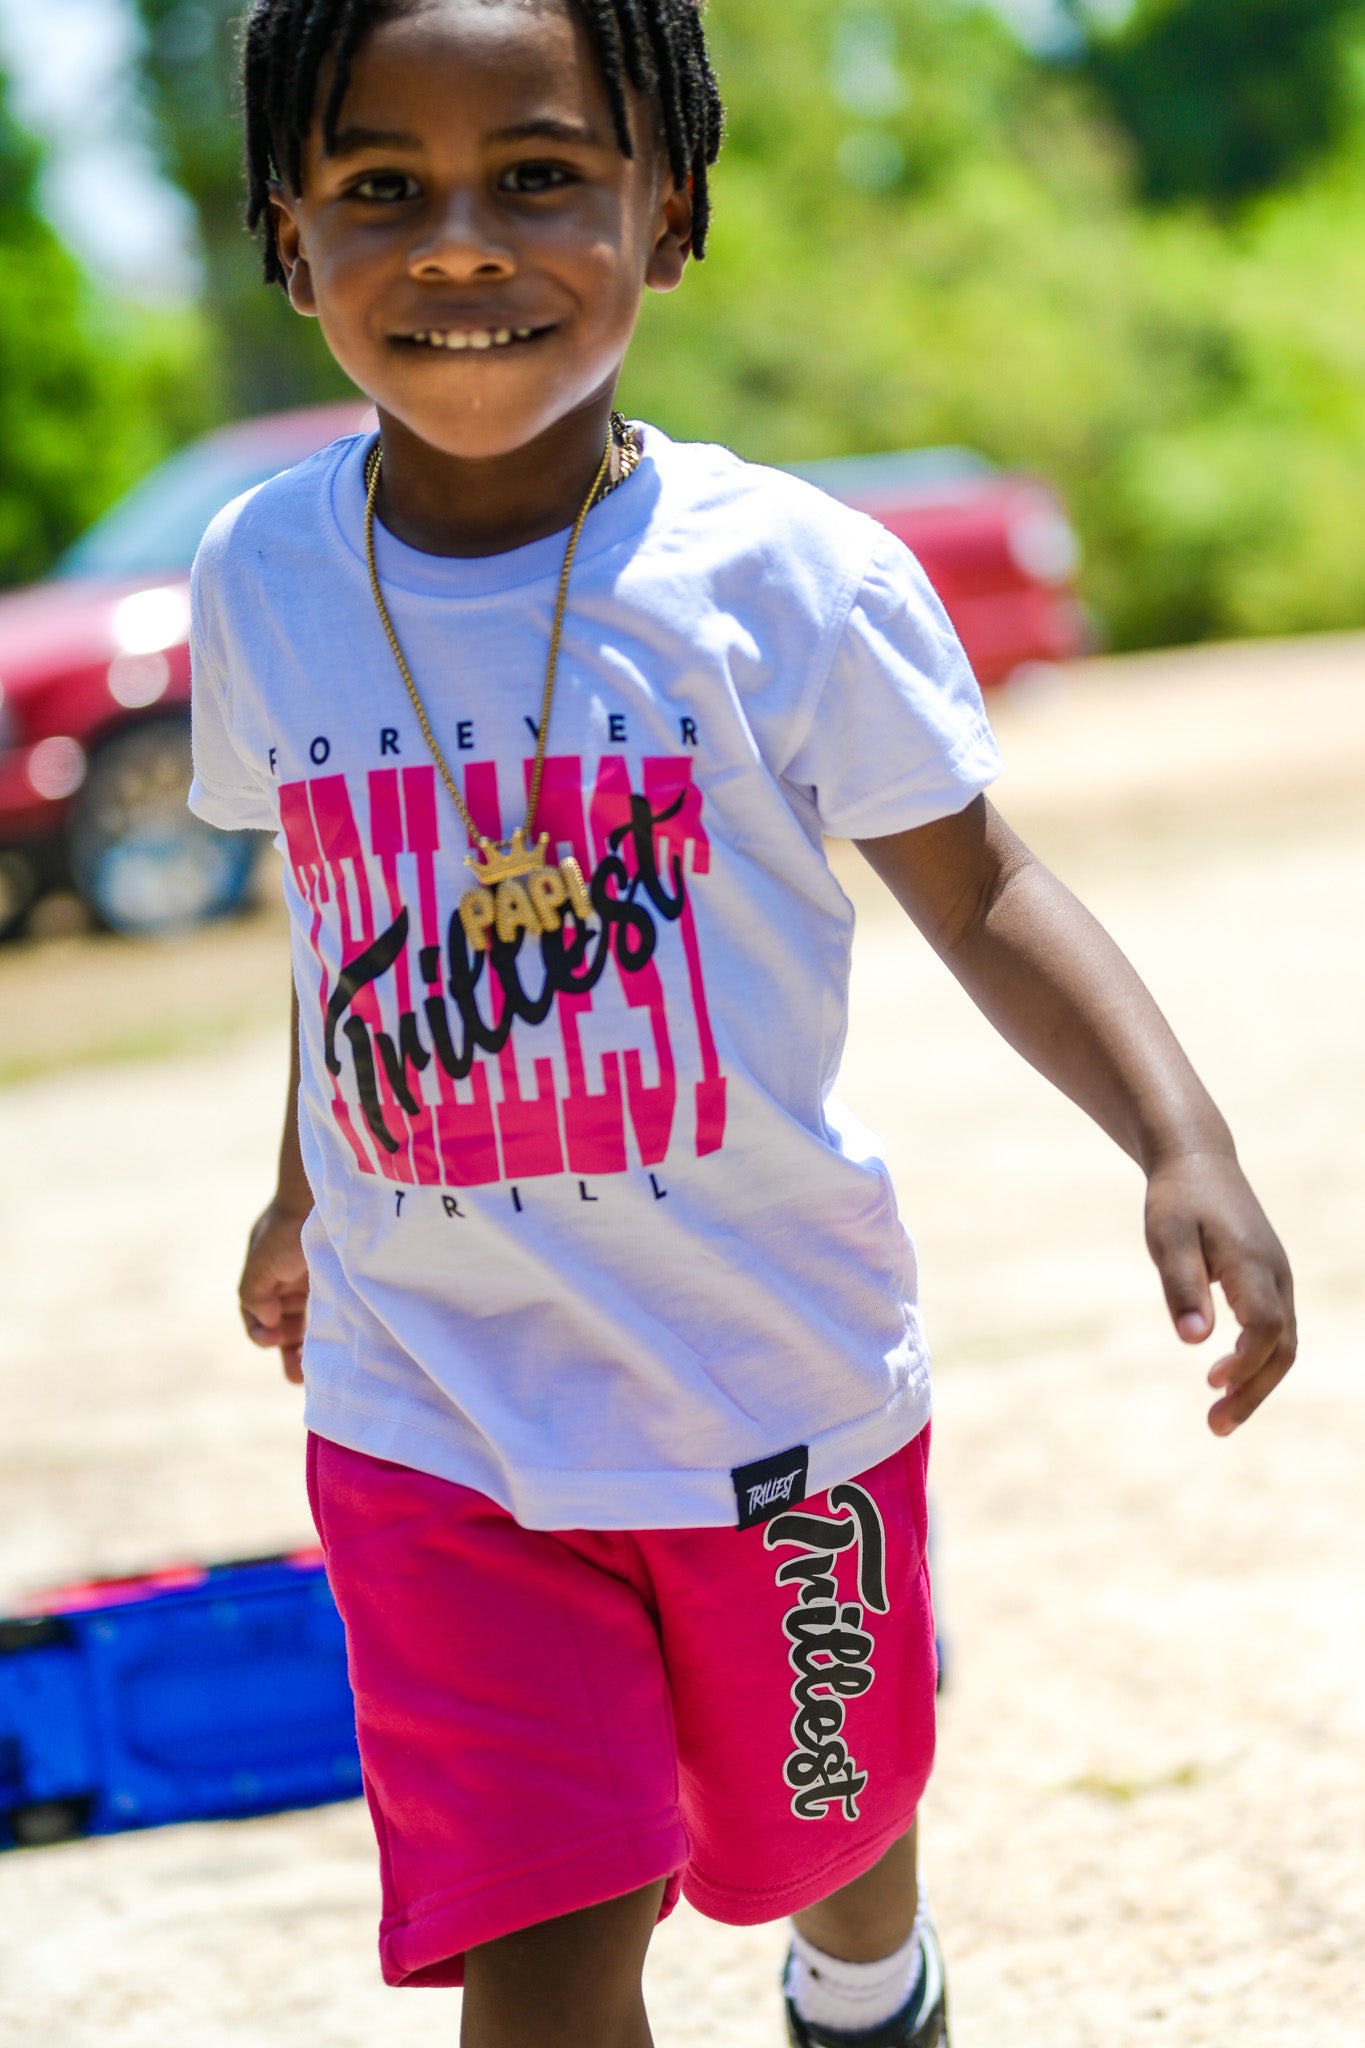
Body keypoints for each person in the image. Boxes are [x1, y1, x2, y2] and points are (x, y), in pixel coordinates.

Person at [190, 3, 1297, 2043]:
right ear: (288, 235)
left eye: (534, 175)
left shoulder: (781, 579)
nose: (453, 242)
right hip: (432, 1401)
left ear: (665, 207)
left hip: (764, 1376)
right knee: (548, 1931)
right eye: (378, 187)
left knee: (811, 1822)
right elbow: (337, 924)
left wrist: (1178, 1137)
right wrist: (294, 1191)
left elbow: (984, 886)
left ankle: (863, 1969)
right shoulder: (261, 576)